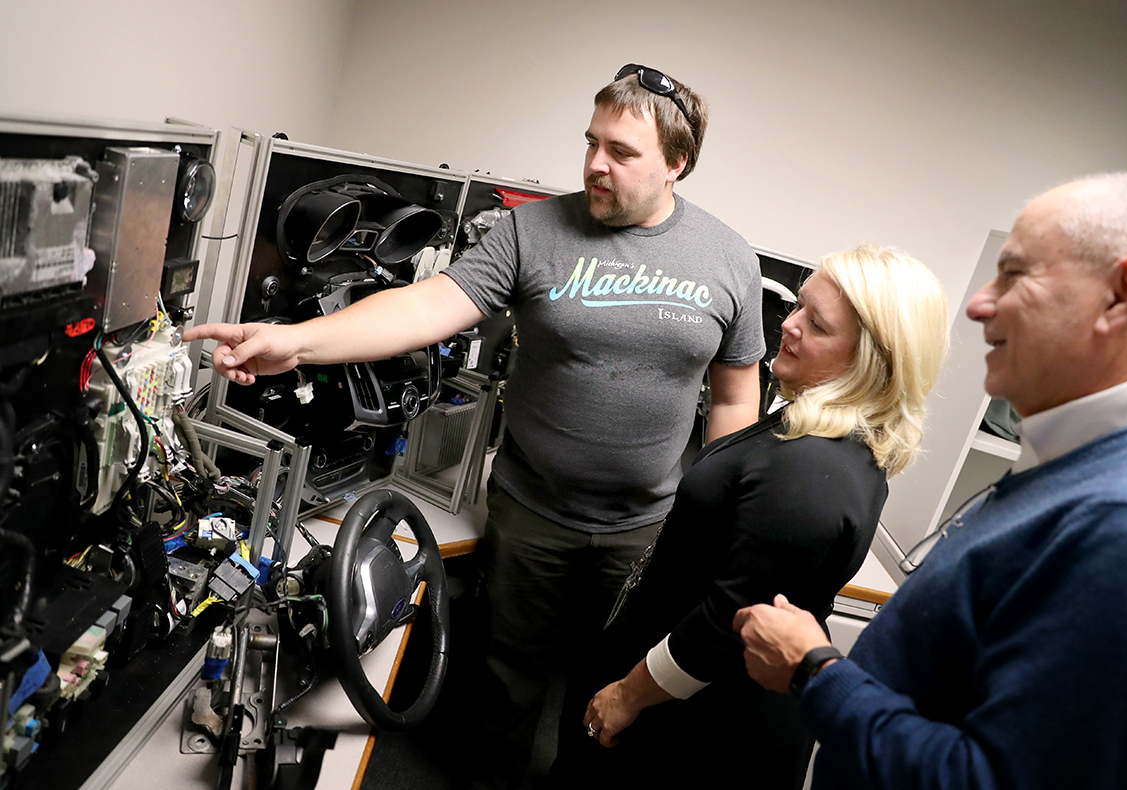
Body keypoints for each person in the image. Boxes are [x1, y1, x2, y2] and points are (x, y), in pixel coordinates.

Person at [185, 64, 765, 786]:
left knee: (614, 694)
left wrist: (717, 520)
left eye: (621, 152)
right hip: (531, 516)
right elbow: (425, 308)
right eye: (591, 142)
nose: (594, 164)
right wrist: (294, 341)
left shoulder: (728, 259)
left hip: (646, 529)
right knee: (505, 688)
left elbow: (737, 396)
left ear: (677, 163)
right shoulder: (534, 232)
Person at [735, 172, 1127, 790]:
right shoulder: (1094, 463)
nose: (981, 304)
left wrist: (813, 672)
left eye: (1014, 275)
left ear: (1121, 294)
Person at [549, 246, 949, 788]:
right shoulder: (808, 430)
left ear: (868, 362)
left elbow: (731, 620)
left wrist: (628, 695)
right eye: (800, 307)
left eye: (817, 324)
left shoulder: (813, 467)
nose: (789, 325)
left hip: (694, 719)